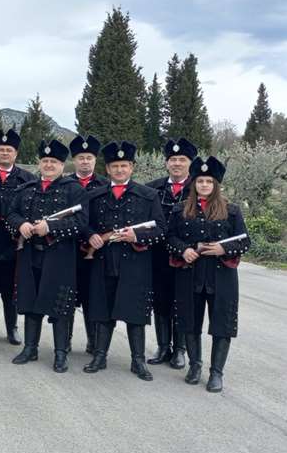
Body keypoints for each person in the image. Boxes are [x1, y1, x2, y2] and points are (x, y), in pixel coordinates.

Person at [82, 141, 165, 381]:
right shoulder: (95, 195)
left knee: (135, 313)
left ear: (132, 167)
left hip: (135, 263)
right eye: (115, 166)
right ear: (107, 169)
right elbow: (84, 224)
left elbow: (161, 229)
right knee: (103, 311)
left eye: (124, 165)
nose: (119, 170)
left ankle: (138, 361)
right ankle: (99, 356)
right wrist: (91, 235)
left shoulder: (148, 195)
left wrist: (136, 235)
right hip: (103, 261)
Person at [166, 156, 250, 392]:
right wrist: (184, 250)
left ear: (216, 184)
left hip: (221, 276)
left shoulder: (231, 211)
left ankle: (216, 373)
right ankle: (195, 366)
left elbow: (245, 241)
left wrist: (225, 248)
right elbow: (169, 237)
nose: (204, 185)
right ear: (194, 183)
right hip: (190, 274)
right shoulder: (180, 209)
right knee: (189, 322)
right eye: (200, 181)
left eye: (209, 181)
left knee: (222, 325)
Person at [7, 140, 86, 373]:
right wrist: (20, 224)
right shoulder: (27, 189)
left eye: (54, 161)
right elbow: (11, 213)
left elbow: (81, 223)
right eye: (45, 161)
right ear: (39, 163)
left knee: (59, 306)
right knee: (31, 302)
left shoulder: (74, 190)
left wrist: (51, 227)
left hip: (60, 258)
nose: (49, 165)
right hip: (30, 254)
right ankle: (30, 348)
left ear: (62, 164)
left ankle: (60, 353)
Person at [146, 137, 198, 369]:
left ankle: (180, 350)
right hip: (158, 255)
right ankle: (163, 347)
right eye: (173, 159)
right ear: (166, 163)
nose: (177, 163)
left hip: (187, 256)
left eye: (182, 159)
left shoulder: (199, 187)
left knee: (182, 302)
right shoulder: (153, 188)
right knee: (161, 301)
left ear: (190, 163)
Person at [0, 128, 36, 345]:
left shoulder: (28, 179)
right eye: (1, 149)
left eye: (9, 150)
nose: (5, 153)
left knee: (9, 290)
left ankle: (12, 328)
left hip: (13, 243)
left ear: (16, 153)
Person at [67, 134, 108, 353]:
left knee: (93, 298)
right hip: (69, 248)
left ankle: (93, 342)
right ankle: (65, 341)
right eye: (81, 157)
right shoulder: (64, 184)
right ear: (74, 160)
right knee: (68, 295)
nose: (85, 161)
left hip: (96, 250)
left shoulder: (105, 185)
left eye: (89, 157)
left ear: (95, 160)